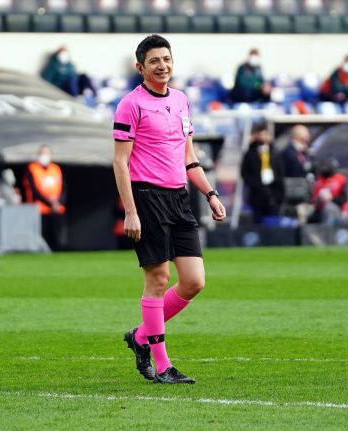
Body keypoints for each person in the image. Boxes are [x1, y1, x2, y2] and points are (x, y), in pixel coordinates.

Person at [113, 35, 226, 384]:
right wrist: (130, 211)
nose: (162, 66)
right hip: (147, 198)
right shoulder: (130, 105)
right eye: (154, 61)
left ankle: (140, 336)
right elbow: (120, 162)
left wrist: (210, 193)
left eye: (166, 59)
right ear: (140, 67)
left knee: (193, 281)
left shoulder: (181, 101)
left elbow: (189, 157)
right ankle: (163, 366)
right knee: (158, 280)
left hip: (179, 197)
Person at [22, 145, 67, 250]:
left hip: (56, 210)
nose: (44, 156)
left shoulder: (56, 168)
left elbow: (64, 188)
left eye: (46, 153)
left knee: (56, 237)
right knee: (42, 237)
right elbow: (34, 191)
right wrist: (50, 203)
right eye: (42, 153)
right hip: (39, 210)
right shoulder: (32, 168)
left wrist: (59, 202)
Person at [240, 122, 285, 223]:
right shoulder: (250, 153)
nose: (263, 137)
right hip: (257, 192)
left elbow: (280, 171)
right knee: (258, 220)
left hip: (273, 190)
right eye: (260, 135)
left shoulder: (274, 152)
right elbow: (244, 172)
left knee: (273, 219)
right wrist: (256, 184)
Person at [309, 159, 348, 225]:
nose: (325, 169)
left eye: (327, 167)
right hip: (320, 209)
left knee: (328, 207)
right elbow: (313, 199)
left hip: (338, 209)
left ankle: (327, 230)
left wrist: (331, 198)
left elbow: (345, 199)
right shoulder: (319, 180)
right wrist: (319, 199)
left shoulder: (341, 179)